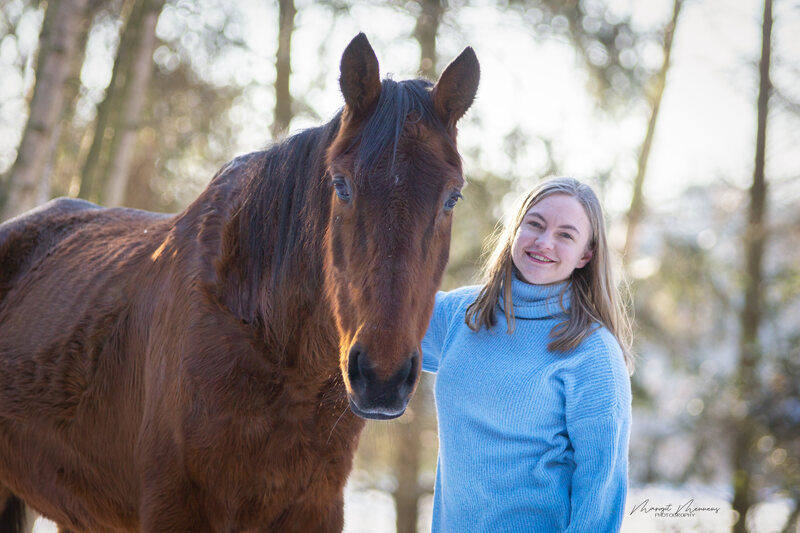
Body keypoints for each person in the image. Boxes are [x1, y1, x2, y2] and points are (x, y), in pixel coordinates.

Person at [422, 177, 633, 532]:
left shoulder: (593, 354)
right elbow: (377, 327)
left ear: (586, 254)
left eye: (566, 235)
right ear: (515, 229)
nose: (544, 241)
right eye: (535, 224)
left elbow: (601, 489)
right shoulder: (463, 313)